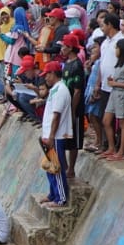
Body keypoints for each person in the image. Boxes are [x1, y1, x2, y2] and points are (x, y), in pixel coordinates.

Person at [41, 60, 73, 207]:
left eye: (47, 75)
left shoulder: (60, 90)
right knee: (50, 167)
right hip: (50, 135)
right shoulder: (55, 89)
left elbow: (56, 115)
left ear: (53, 74)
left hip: (56, 136)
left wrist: (52, 136)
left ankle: (60, 198)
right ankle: (53, 193)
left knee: (56, 167)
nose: (45, 78)